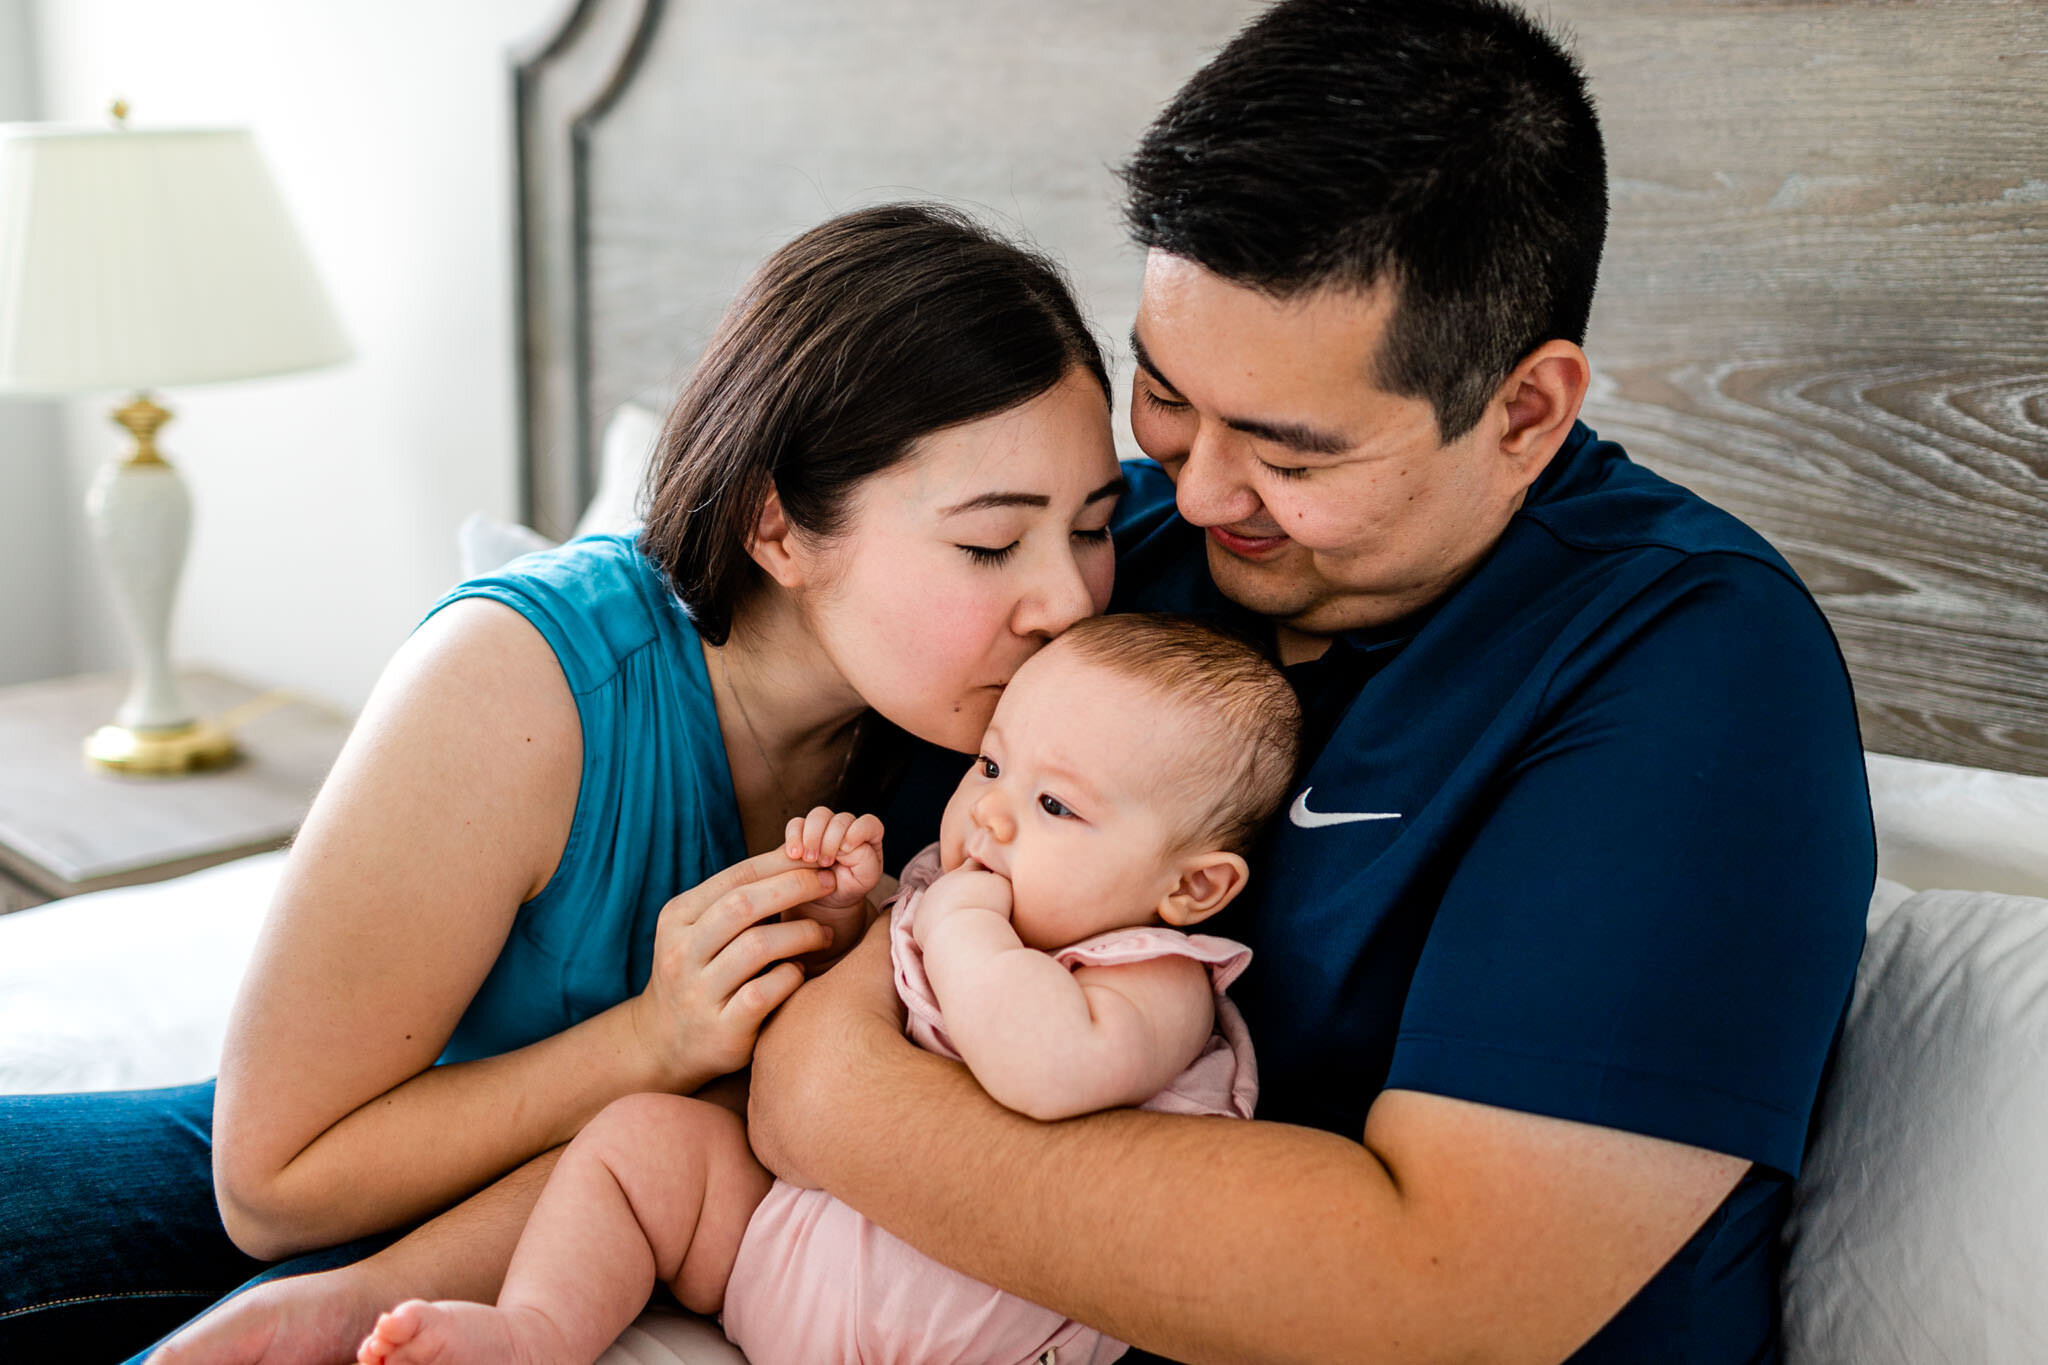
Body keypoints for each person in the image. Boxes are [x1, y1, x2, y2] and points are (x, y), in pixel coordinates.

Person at [741, 3, 1875, 1363]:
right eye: (1166, 394)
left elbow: (1441, 1293)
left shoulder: (1685, 665)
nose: (1201, 489)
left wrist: (833, 1104)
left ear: (1524, 413)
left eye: (1292, 451)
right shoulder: (1109, 558)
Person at [0, 201, 1126, 1363]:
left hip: (540, 1231)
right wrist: (650, 1039)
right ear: (775, 526)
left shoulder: (1021, 755)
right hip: (331, 1155)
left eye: (1095, 527)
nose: (1068, 602)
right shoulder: (522, 683)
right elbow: (273, 1186)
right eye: (991, 545)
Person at [352, 613, 1300, 1365]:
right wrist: (848, 913)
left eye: (1056, 805)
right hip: (783, 1254)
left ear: (1192, 887)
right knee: (638, 1143)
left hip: (972, 1329)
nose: (993, 814)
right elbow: (846, 1005)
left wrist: (952, 922)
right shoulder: (946, 888)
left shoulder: (1155, 975)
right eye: (993, 765)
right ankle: (537, 1332)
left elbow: (1043, 1067)